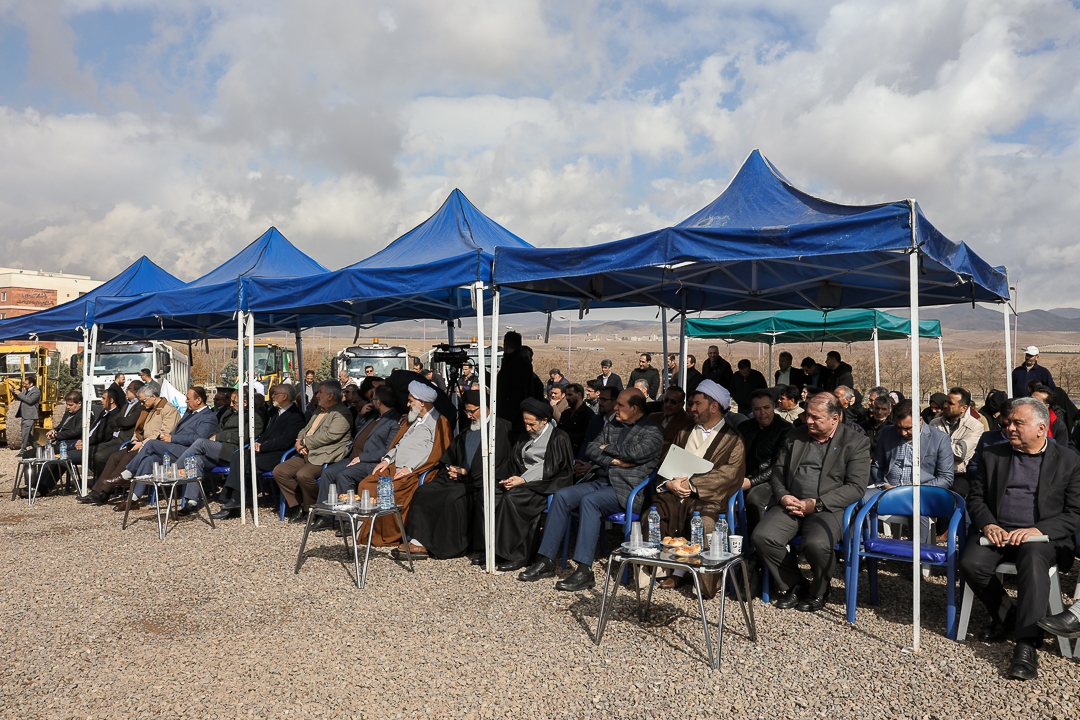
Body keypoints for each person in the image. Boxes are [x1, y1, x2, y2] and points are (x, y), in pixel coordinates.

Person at [961, 397, 1080, 680]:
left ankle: (1026, 645)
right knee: (970, 563)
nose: (1009, 428)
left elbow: (1075, 513)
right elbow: (975, 498)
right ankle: (1010, 615)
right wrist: (989, 524)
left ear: (1041, 428)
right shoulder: (994, 455)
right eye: (1008, 422)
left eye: (1018, 423)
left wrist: (1038, 530)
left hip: (1043, 540)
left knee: (1032, 558)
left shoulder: (1067, 460)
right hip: (998, 535)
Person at [518, 389, 664, 591]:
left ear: (635, 408)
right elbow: (592, 449)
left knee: (590, 501)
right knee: (561, 496)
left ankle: (584, 570)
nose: (615, 408)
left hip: (626, 489)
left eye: (620, 405)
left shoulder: (653, 431)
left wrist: (607, 448)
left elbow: (635, 453)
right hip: (599, 480)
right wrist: (613, 460)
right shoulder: (613, 425)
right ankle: (546, 560)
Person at [752, 393, 871, 613]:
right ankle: (795, 584)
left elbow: (855, 488)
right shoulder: (795, 436)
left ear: (835, 418)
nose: (808, 421)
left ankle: (819, 590)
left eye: (816, 418)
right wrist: (783, 495)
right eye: (807, 415)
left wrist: (815, 504)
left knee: (817, 544)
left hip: (828, 506)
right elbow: (778, 471)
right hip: (792, 502)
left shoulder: (856, 443)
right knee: (763, 537)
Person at [653, 380, 746, 595]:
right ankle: (666, 571)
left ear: (713, 406)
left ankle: (705, 581)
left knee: (704, 522)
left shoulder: (733, 439)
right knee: (654, 514)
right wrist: (669, 483)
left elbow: (729, 475)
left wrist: (692, 485)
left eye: (697, 404)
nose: (691, 408)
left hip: (709, 499)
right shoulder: (684, 432)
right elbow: (666, 461)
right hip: (676, 494)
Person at [404, 390, 512, 560]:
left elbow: (496, 463)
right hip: (459, 478)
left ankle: (441, 545)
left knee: (451, 497)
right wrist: (451, 468)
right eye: (466, 412)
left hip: (479, 481)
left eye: (472, 411)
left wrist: (464, 473)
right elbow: (451, 454)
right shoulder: (469, 428)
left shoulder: (499, 429)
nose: (469, 416)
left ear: (485, 408)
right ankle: (418, 539)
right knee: (424, 491)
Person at [352, 381, 452, 549]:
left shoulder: (439, 422)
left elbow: (433, 452)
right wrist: (386, 460)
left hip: (415, 471)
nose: (407, 404)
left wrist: (410, 468)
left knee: (390, 490)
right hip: (394, 466)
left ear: (422, 403)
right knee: (366, 484)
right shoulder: (412, 419)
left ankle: (387, 535)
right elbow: (397, 445)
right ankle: (366, 531)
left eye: (411, 401)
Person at [492, 398, 576, 571]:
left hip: (545, 485)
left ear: (544, 421)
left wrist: (523, 480)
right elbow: (514, 461)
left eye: (532, 424)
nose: (528, 428)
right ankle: (495, 549)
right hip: (522, 480)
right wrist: (509, 478)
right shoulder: (525, 436)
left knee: (514, 499)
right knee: (493, 493)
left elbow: (553, 467)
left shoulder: (559, 438)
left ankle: (519, 555)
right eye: (525, 423)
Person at [211, 384, 306, 519]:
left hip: (280, 454)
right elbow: (267, 434)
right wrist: (257, 442)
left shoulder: (295, 415)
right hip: (267, 451)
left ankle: (231, 499)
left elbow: (285, 440)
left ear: (284, 396)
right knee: (239, 455)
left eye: (275, 393)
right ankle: (233, 500)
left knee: (242, 461)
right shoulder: (277, 413)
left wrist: (262, 447)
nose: (272, 396)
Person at [868, 400, 954, 541]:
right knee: (858, 500)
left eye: (908, 428)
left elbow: (946, 478)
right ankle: (861, 548)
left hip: (920, 492)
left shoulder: (939, 439)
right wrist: (884, 484)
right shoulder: (887, 433)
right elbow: (877, 465)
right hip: (887, 489)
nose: (902, 432)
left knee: (919, 511)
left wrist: (916, 490)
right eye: (898, 427)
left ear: (920, 420)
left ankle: (918, 556)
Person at [312, 385, 403, 515]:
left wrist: (362, 457)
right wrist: (361, 415)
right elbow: (361, 430)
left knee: (344, 475)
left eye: (372, 400)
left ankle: (347, 518)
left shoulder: (394, 421)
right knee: (328, 472)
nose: (370, 402)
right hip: (354, 457)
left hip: (370, 462)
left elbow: (388, 449)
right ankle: (324, 516)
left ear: (379, 402)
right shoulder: (374, 415)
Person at [173, 389, 265, 515]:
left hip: (234, 451)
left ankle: (174, 469)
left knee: (200, 442)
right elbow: (217, 429)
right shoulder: (229, 413)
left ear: (245, 403)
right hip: (218, 449)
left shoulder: (254, 416)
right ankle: (192, 502)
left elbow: (247, 436)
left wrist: (219, 437)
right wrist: (214, 437)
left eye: (234, 402)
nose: (231, 404)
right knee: (195, 461)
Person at [86, 384, 181, 506]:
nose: (141, 404)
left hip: (156, 446)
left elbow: (164, 433)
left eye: (143, 401)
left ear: (153, 396)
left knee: (128, 458)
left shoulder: (168, 410)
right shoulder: (148, 409)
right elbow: (139, 429)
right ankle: (98, 490)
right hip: (142, 442)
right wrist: (134, 441)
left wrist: (142, 444)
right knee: (115, 456)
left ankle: (105, 492)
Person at [274, 380, 353, 522]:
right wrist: (299, 442)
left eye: (320, 392)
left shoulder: (342, 413)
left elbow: (330, 436)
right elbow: (305, 429)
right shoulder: (319, 410)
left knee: (304, 475)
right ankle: (299, 504)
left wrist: (305, 442)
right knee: (280, 471)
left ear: (329, 396)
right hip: (306, 452)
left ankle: (313, 508)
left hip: (324, 454)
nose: (317, 395)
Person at [124, 387, 219, 498]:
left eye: (188, 399)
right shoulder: (189, 413)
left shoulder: (208, 417)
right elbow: (177, 429)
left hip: (189, 452)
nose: (186, 401)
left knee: (151, 444)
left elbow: (198, 438)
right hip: (175, 450)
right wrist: (168, 437)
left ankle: (130, 470)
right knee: (150, 459)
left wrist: (172, 439)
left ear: (198, 400)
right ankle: (135, 496)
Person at [738, 389, 792, 530]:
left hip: (771, 480)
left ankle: (755, 545)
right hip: (743, 477)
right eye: (757, 409)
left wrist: (751, 482)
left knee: (754, 499)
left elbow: (778, 464)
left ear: (774, 406)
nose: (762, 413)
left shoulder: (785, 429)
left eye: (766, 407)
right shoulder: (744, 428)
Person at [930, 387, 985, 499]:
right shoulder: (934, 423)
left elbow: (960, 454)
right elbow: (926, 448)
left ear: (963, 408)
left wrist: (937, 447)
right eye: (946, 401)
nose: (945, 406)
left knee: (953, 496)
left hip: (959, 474)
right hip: (935, 472)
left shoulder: (975, 426)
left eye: (950, 403)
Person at [26, 391, 84, 497]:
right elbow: (60, 426)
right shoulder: (68, 413)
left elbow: (77, 431)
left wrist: (57, 435)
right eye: (67, 404)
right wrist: (53, 430)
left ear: (79, 404)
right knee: (28, 455)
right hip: (57, 442)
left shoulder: (83, 415)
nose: (68, 407)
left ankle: (40, 487)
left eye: (71, 405)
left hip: (68, 444)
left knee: (51, 458)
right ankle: (30, 485)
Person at [496, 331, 544, 442]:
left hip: (514, 420)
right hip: (512, 417)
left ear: (505, 345)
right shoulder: (514, 361)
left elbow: (517, 392)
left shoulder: (517, 363)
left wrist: (511, 417)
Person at [647, 385, 691, 451]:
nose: (668, 404)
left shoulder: (688, 422)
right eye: (666, 400)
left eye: (673, 402)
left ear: (682, 404)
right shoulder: (653, 417)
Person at [559, 383, 594, 455]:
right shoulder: (566, 413)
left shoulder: (588, 414)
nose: (567, 398)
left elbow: (586, 435)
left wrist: (566, 436)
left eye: (570, 395)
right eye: (566, 395)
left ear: (579, 394)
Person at [13, 376, 41, 452]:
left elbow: (30, 400)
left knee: (25, 433)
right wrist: (15, 393)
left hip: (30, 415)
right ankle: (37, 447)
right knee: (26, 433)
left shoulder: (36, 391)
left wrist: (20, 394)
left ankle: (23, 450)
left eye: (25, 383)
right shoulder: (26, 390)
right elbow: (21, 398)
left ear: (31, 384)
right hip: (24, 415)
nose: (24, 385)